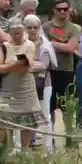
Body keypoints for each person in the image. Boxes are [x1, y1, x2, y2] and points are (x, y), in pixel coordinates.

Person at [0, 17, 42, 149]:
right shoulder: (4, 47)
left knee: (27, 124)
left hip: (25, 89)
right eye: (14, 32)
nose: (17, 35)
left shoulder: (30, 45)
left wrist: (9, 66)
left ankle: (24, 153)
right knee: (1, 121)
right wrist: (13, 66)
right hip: (8, 89)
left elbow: (27, 66)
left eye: (19, 31)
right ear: (10, 33)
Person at [45, 0, 79, 131]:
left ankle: (69, 136)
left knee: (67, 106)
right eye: (59, 9)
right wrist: (62, 44)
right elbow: (42, 46)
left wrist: (51, 44)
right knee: (49, 106)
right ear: (54, 10)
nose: (62, 12)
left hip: (66, 70)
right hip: (49, 70)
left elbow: (71, 48)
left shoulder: (74, 28)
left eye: (65, 9)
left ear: (69, 10)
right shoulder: (45, 27)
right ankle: (51, 136)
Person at [23, 14, 56, 149]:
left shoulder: (45, 44)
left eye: (35, 27)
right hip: (24, 84)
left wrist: (27, 64)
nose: (32, 30)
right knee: (23, 116)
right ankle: (22, 147)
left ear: (39, 28)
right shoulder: (21, 44)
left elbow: (44, 65)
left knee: (45, 116)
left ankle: (48, 148)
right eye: (29, 27)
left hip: (44, 84)